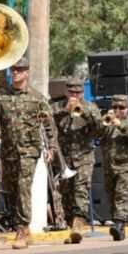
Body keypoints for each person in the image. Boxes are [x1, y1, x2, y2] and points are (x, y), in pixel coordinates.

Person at [0, 57, 58, 249]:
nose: (16, 73)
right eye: (13, 70)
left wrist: (52, 147)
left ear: (27, 72)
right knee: (11, 190)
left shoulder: (37, 98)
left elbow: (49, 124)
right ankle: (22, 228)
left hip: (29, 150)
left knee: (22, 187)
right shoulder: (1, 95)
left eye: (20, 70)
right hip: (8, 150)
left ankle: (22, 227)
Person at [51, 77, 102, 244]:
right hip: (64, 158)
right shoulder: (57, 107)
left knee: (81, 189)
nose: (75, 95)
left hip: (84, 157)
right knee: (66, 194)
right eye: (71, 92)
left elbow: (100, 129)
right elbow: (48, 125)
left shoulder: (90, 107)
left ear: (82, 93)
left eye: (78, 92)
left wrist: (85, 113)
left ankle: (79, 224)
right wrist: (64, 112)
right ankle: (71, 226)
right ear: (66, 92)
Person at [99, 94, 128, 241]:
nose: (118, 110)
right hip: (109, 166)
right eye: (115, 107)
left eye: (121, 108)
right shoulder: (108, 122)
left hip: (125, 166)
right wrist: (104, 122)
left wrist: (120, 124)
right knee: (112, 197)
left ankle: (118, 224)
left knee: (122, 196)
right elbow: (96, 134)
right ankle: (120, 227)